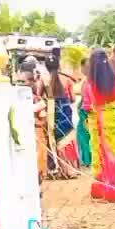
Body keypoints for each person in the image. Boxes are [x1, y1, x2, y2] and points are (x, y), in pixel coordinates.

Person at [82, 48, 115, 202]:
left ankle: (102, 189)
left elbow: (87, 106)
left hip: (98, 122)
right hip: (114, 120)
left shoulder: (89, 84)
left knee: (99, 154)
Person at [43, 48, 79, 179]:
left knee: (53, 139)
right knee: (67, 138)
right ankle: (71, 170)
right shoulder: (67, 80)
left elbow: (41, 96)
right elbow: (73, 99)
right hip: (65, 111)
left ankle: (57, 169)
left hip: (52, 112)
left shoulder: (44, 80)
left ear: (46, 66)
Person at [75, 56, 93, 168]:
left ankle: (88, 160)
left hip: (86, 112)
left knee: (84, 135)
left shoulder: (88, 81)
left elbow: (85, 98)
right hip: (88, 112)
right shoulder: (93, 80)